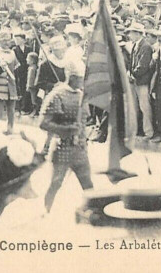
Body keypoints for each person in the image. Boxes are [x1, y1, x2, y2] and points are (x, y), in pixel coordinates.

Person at [40, 57, 93, 212]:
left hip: (80, 148)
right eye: (80, 79)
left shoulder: (82, 96)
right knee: (56, 183)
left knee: (88, 185)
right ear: (72, 77)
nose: (83, 82)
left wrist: (84, 136)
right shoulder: (56, 95)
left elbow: (84, 121)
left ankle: (93, 213)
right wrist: (67, 129)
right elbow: (44, 123)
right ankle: (46, 212)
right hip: (62, 146)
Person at [126, 22, 154, 139]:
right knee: (135, 107)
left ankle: (149, 132)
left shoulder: (146, 46)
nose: (129, 35)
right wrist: (129, 72)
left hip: (142, 81)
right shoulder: (135, 45)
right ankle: (137, 131)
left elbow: (143, 66)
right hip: (135, 81)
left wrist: (132, 74)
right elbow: (131, 63)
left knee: (145, 107)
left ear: (137, 33)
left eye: (131, 33)